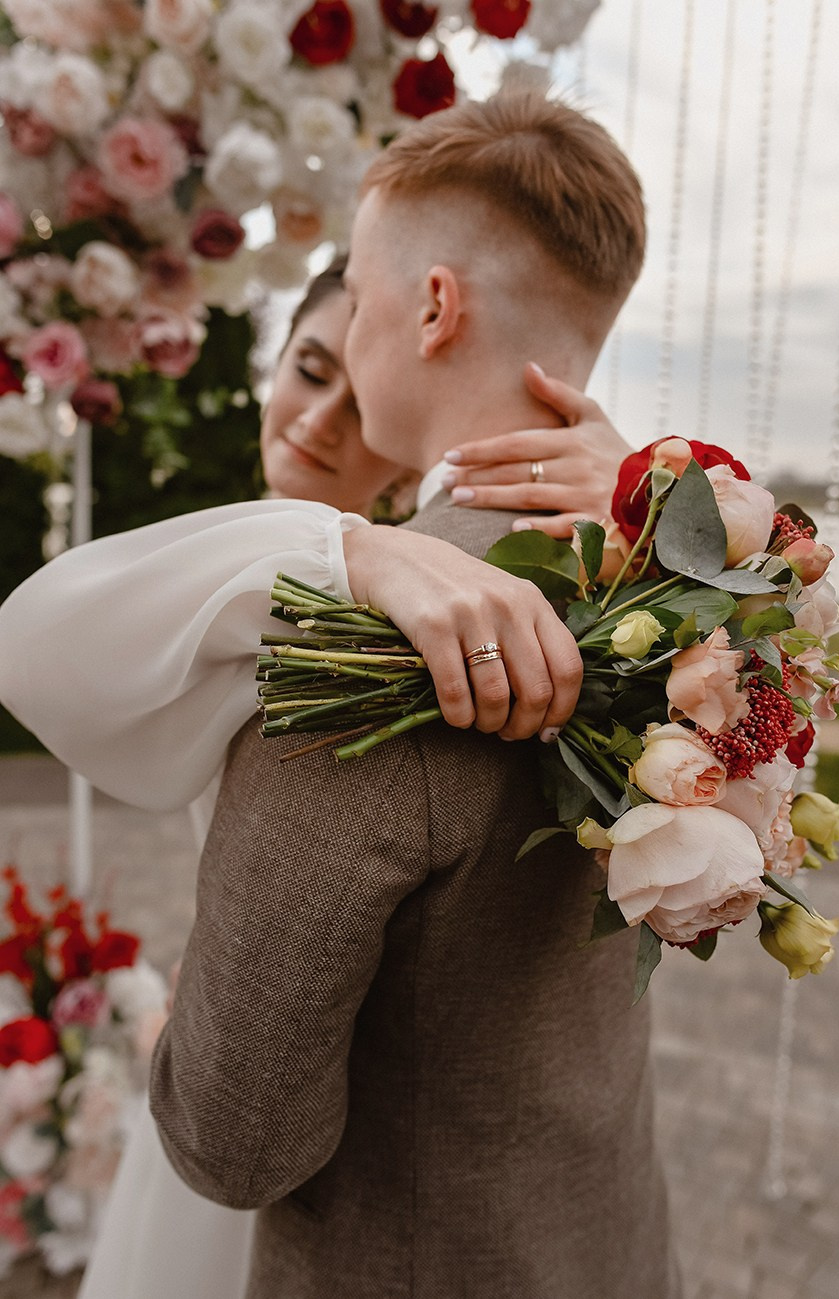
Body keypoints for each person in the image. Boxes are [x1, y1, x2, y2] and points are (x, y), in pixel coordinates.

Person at [0, 267, 629, 1296]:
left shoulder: (396, 630)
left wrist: (652, 484)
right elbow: (27, 639)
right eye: (305, 370)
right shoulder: (249, 568)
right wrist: (356, 553)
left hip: (312, 1136)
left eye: (357, 398)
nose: (321, 423)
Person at [150, 92, 680, 1298]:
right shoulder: (679, 588)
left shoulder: (363, 651)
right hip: (608, 1243)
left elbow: (236, 1142)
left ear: (435, 307)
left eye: (371, 299)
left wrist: (170, 1045)